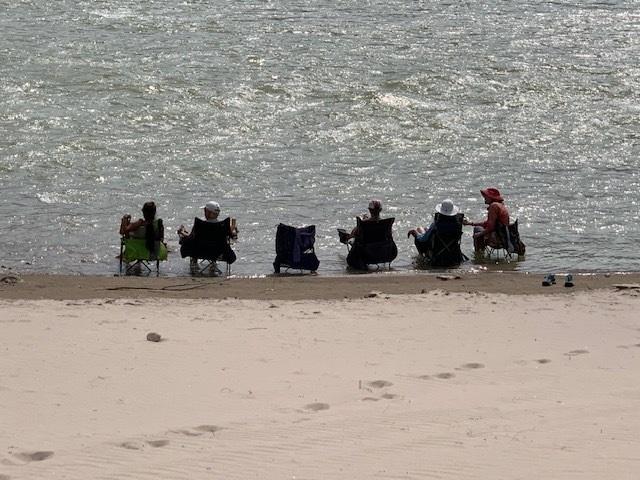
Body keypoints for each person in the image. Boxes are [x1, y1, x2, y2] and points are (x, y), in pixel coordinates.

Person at [177, 200, 237, 268]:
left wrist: (182, 232)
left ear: (209, 212)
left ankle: (194, 265)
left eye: (205, 210)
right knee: (215, 243)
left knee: (190, 242)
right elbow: (232, 237)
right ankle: (213, 265)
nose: (204, 212)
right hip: (219, 253)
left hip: (198, 252)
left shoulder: (200, 225)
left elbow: (191, 238)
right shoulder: (223, 226)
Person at [463, 187, 509, 253]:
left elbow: (490, 227)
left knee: (477, 230)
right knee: (478, 228)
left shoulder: (494, 206)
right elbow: (488, 223)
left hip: (498, 239)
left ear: (491, 197)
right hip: (504, 237)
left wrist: (478, 234)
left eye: (486, 196)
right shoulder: (500, 205)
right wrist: (470, 223)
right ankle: (480, 254)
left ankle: (479, 254)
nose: (484, 197)